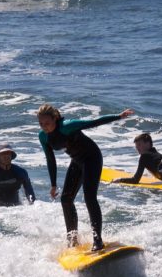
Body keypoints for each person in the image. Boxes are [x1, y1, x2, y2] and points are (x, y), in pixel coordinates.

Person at [37, 104, 134, 251]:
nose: (44, 127)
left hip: (92, 158)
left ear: (55, 119)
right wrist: (53, 185)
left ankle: (98, 240)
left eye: (47, 123)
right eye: (41, 124)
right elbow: (51, 160)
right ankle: (72, 240)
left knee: (89, 197)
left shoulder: (67, 126)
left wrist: (118, 116)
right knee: (66, 199)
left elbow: (94, 122)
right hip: (77, 161)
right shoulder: (43, 137)